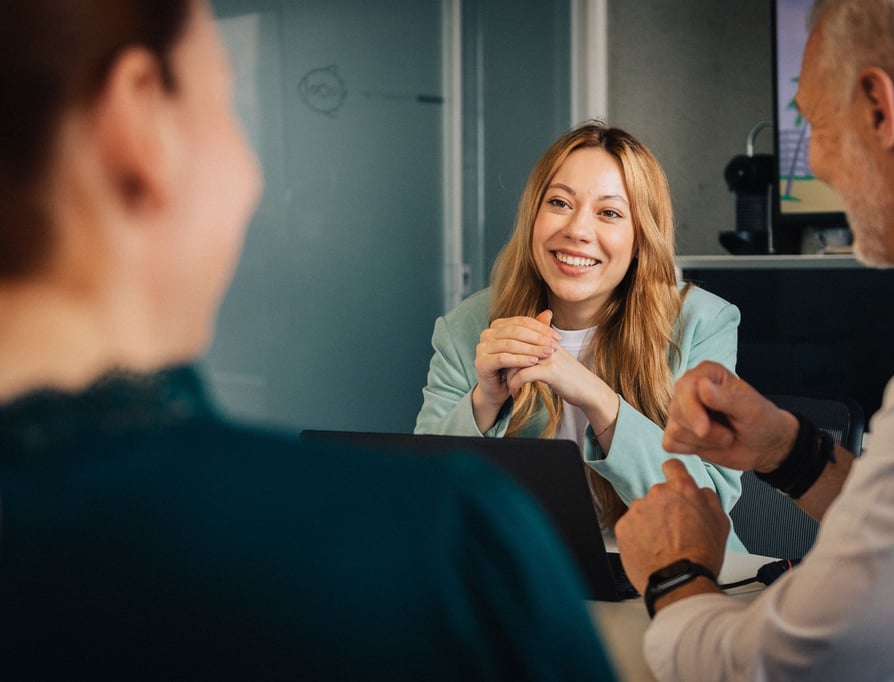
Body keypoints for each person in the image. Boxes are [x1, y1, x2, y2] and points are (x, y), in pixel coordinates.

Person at [0, 2, 616, 679]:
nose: (255, 177)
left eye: (609, 212)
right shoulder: (446, 549)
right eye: (228, 104)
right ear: (140, 119)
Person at [614, 0, 894, 679]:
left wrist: (673, 573)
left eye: (810, 122)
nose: (819, 167)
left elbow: (803, 666)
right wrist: (790, 450)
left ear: (877, 108)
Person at [415, 123, 744, 541]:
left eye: (609, 212)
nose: (577, 230)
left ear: (641, 237)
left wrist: (597, 398)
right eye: (558, 202)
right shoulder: (469, 325)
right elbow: (425, 491)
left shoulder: (702, 322)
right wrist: (484, 401)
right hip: (529, 576)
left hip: (675, 575)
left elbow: (706, 508)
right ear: (533, 215)